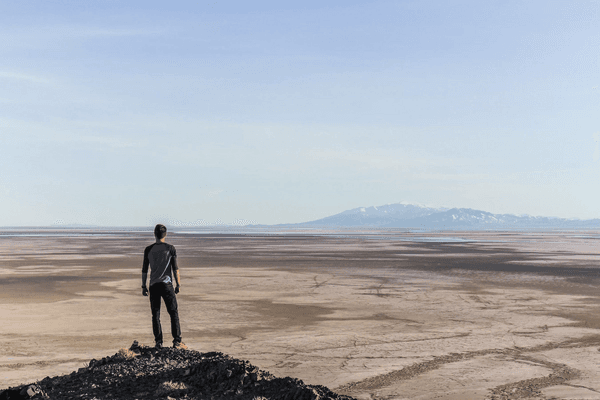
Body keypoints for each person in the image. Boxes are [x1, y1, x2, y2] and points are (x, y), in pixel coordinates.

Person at [142, 224, 186, 349]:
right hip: (167, 285)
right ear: (165, 234)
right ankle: (177, 340)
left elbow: (144, 270)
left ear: (154, 234)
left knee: (155, 314)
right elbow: (175, 269)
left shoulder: (148, 249)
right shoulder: (170, 249)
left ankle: (158, 342)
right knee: (173, 313)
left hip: (154, 285)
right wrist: (178, 284)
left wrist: (143, 286)